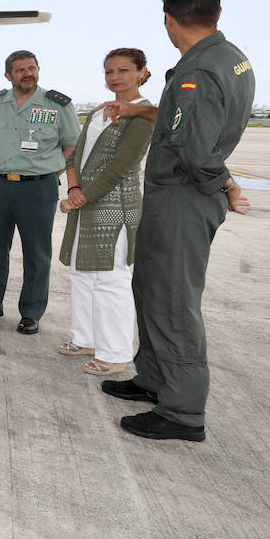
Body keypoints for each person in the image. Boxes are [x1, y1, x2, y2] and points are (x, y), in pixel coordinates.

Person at [101, 0, 254, 442]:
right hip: (178, 197)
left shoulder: (197, 73)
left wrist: (226, 183)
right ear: (217, 14)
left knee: (172, 301)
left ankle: (183, 411)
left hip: (184, 198)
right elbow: (180, 120)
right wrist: (139, 112)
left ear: (169, 20)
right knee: (150, 287)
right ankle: (153, 378)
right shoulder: (230, 58)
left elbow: (194, 148)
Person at [56, 49, 155, 376]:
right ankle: (85, 337)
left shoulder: (141, 115)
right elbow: (73, 158)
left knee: (111, 281)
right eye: (109, 71)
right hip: (83, 207)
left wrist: (81, 198)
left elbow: (120, 167)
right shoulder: (97, 113)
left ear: (141, 72)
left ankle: (115, 353)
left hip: (116, 210)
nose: (115, 77)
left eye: (124, 70)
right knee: (82, 275)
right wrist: (72, 190)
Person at [0, 50, 80, 334]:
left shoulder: (58, 105)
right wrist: (3, 169)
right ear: (9, 75)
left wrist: (47, 173)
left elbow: (71, 147)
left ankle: (31, 312)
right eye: (20, 70)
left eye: (32, 68)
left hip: (38, 189)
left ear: (38, 70)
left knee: (36, 253)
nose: (27, 73)